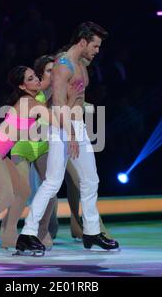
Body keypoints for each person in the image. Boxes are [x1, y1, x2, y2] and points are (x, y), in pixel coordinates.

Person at [16, 22, 119, 255]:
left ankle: (92, 232)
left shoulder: (81, 62)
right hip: (64, 127)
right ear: (82, 42)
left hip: (77, 126)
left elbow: (77, 96)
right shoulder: (63, 66)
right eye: (94, 45)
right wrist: (70, 133)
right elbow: (59, 103)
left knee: (91, 180)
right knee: (53, 182)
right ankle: (27, 234)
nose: (97, 50)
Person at [0, 66, 82, 257]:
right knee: (6, 197)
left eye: (36, 76)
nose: (36, 80)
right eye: (31, 78)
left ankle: (9, 235)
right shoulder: (31, 104)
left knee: (23, 191)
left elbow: (46, 85)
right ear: (23, 86)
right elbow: (58, 121)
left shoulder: (31, 100)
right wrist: (73, 100)